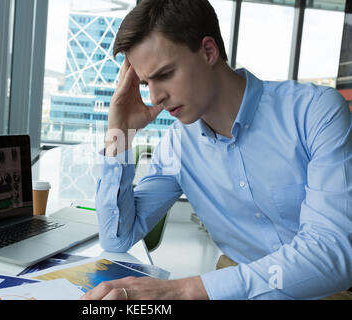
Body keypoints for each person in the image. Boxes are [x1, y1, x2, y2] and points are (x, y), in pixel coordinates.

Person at [80, 0, 352, 300]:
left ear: (209, 51)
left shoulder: (315, 112)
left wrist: (186, 290)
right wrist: (119, 133)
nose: (156, 98)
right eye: (146, 83)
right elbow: (116, 237)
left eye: (165, 74)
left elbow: (332, 254)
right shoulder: (177, 145)